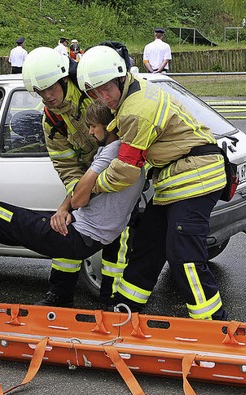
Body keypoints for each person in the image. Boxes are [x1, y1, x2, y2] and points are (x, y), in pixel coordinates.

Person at [77, 45, 228, 320]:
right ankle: (126, 307)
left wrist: (92, 187)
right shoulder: (132, 95)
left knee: (183, 254)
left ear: (121, 77)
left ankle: (212, 324)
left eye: (106, 89)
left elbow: (125, 171)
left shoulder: (136, 109)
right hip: (176, 180)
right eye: (94, 93)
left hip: (194, 178)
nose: (102, 97)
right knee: (148, 242)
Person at [0, 103, 145, 299]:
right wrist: (64, 208)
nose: (91, 132)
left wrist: (74, 199)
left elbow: (78, 199)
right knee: (16, 232)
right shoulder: (123, 153)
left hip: (82, 236)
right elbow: (80, 194)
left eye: (94, 126)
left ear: (109, 126)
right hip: (86, 232)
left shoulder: (111, 152)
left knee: (17, 221)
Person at [21, 47, 136, 309]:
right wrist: (76, 199)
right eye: (40, 92)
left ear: (63, 79)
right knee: (67, 228)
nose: (47, 96)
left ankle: (111, 303)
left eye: (50, 88)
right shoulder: (51, 119)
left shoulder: (94, 96)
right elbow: (66, 166)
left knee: (118, 240)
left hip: (120, 174)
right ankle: (59, 295)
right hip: (88, 181)